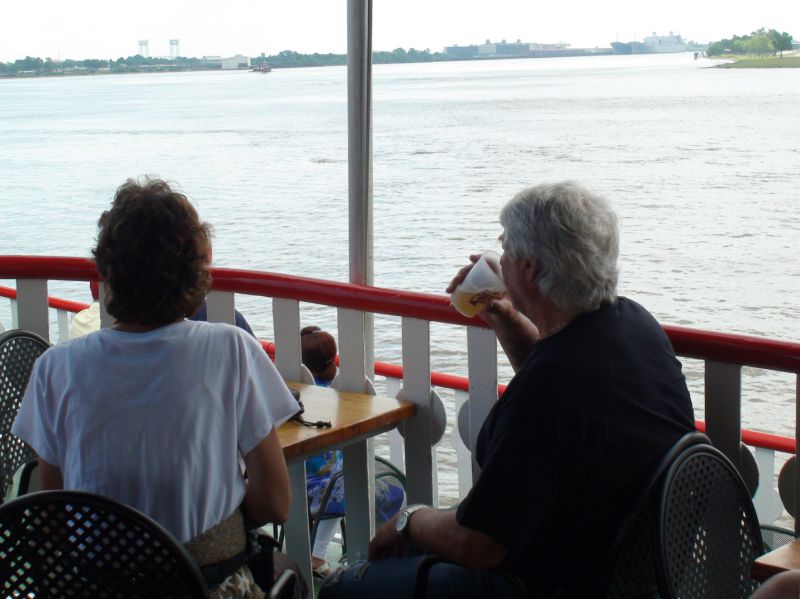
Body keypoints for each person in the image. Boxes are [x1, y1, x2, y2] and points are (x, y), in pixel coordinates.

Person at [320, 181, 696, 599]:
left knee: (341, 589)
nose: (499, 259)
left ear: (530, 268)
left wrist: (411, 519)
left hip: (546, 583)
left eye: (505, 248)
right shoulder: (633, 325)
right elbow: (559, 380)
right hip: (638, 574)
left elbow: (477, 545)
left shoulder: (551, 385)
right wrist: (504, 315)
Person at [13, 177, 305, 598]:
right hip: (207, 585)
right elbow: (275, 503)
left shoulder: (55, 368)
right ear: (195, 272)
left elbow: (54, 515)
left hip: (96, 589)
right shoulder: (231, 349)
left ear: (107, 272)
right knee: (288, 573)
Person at [301, 326, 344, 579]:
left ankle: (311, 549)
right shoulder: (332, 394)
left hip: (290, 473)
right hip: (321, 483)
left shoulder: (290, 390)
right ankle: (318, 555)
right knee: (344, 484)